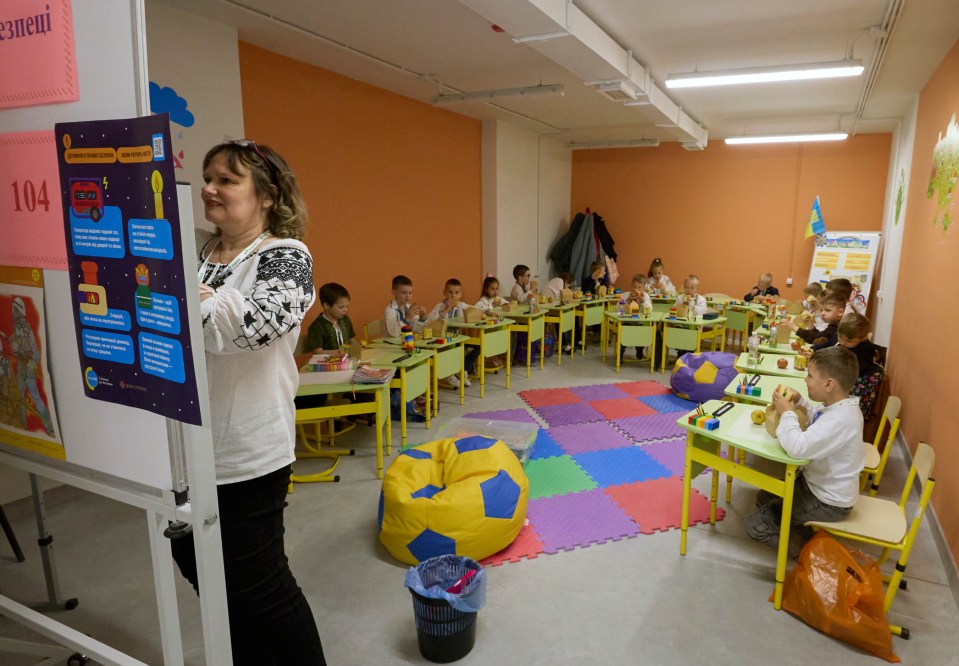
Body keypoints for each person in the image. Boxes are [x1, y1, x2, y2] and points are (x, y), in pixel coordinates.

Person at [178, 139, 326, 664]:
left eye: (226, 179)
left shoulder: (285, 255)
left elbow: (255, 326)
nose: (210, 189)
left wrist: (190, 297)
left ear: (266, 195)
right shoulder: (193, 249)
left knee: (260, 587)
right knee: (202, 569)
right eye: (207, 177)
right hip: (187, 450)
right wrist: (198, 298)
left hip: (248, 451)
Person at [745, 346, 865, 558]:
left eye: (810, 375)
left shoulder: (841, 419)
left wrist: (788, 413)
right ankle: (800, 530)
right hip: (816, 484)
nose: (805, 380)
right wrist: (800, 402)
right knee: (764, 496)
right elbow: (817, 417)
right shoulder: (837, 406)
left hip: (827, 500)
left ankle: (818, 556)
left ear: (829, 384)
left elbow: (797, 449)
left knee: (755, 524)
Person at [426, 278, 477, 387]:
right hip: (441, 339)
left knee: (477, 347)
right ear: (444, 293)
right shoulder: (439, 307)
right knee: (451, 350)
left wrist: (486, 311)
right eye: (450, 292)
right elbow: (430, 321)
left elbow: (474, 309)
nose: (453, 296)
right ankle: (449, 375)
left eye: (456, 293)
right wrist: (446, 310)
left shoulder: (460, 305)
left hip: (456, 338)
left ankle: (462, 368)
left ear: (460, 295)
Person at [306, 282, 356, 352]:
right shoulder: (316, 327)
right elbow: (318, 351)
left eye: (346, 306)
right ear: (326, 306)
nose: (345, 310)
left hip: (348, 360)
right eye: (341, 307)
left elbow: (351, 339)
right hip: (329, 361)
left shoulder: (345, 319)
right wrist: (340, 352)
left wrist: (355, 345)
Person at [624, 274, 653, 360]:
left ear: (643, 288)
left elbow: (649, 309)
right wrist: (628, 301)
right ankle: (620, 353)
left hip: (639, 322)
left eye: (639, 287)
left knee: (642, 334)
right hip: (627, 322)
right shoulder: (626, 295)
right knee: (623, 334)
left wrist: (643, 301)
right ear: (631, 286)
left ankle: (639, 351)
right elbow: (619, 307)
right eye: (634, 287)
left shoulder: (646, 296)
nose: (636, 289)